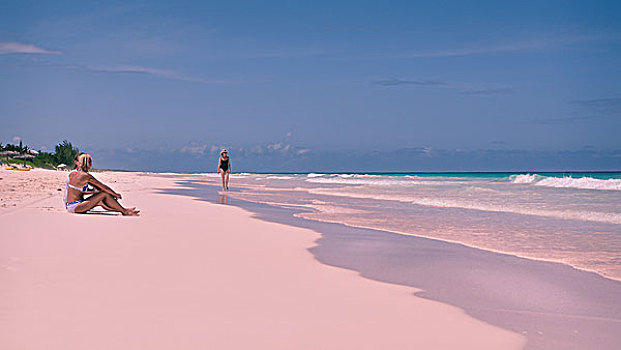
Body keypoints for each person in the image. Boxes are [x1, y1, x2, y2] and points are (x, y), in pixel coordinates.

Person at [63, 153, 140, 216]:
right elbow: (103, 187)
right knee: (104, 195)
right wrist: (115, 194)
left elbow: (76, 192)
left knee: (101, 202)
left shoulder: (72, 174)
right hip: (75, 207)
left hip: (70, 205)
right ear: (89, 164)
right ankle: (125, 211)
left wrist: (94, 192)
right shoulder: (86, 176)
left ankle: (124, 210)